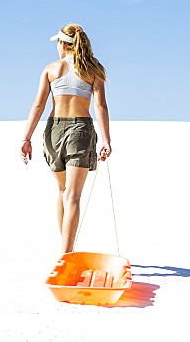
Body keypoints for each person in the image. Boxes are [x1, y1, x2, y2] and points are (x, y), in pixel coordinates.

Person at [21, 24, 111, 254]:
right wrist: (106, 140)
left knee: (63, 191)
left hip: (54, 131)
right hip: (80, 130)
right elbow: (100, 105)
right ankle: (66, 253)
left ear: (62, 43)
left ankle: (66, 249)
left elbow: (39, 105)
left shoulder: (52, 69)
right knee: (72, 195)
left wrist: (26, 138)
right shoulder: (94, 69)